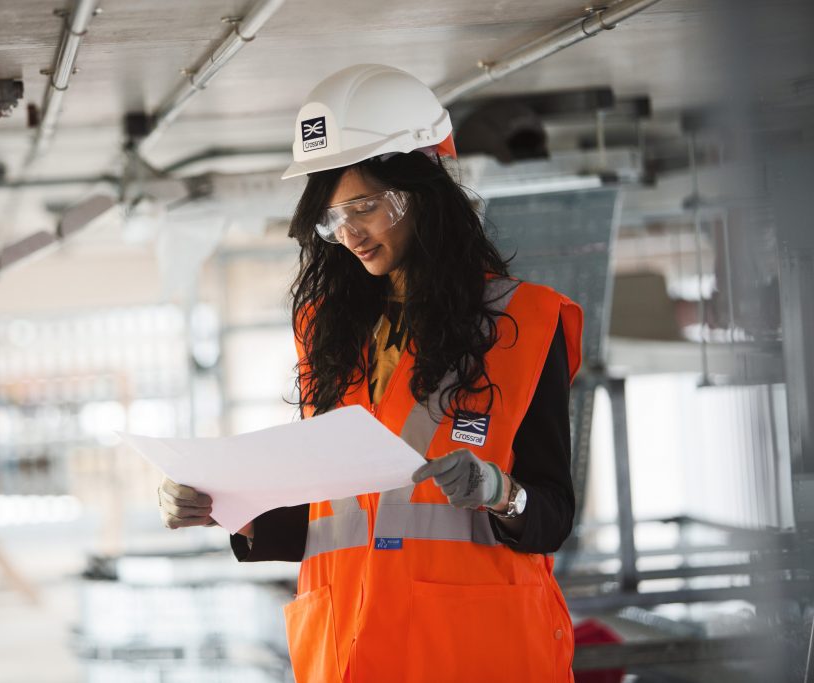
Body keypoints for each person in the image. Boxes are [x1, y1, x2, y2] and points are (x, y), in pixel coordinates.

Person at [158, 64, 583, 682]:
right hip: (351, 652)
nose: (350, 232)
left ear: (423, 193)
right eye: (333, 217)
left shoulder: (522, 321)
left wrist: (500, 492)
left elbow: (553, 514)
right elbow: (334, 517)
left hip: (475, 653)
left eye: (365, 206)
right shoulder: (326, 331)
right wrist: (225, 509)